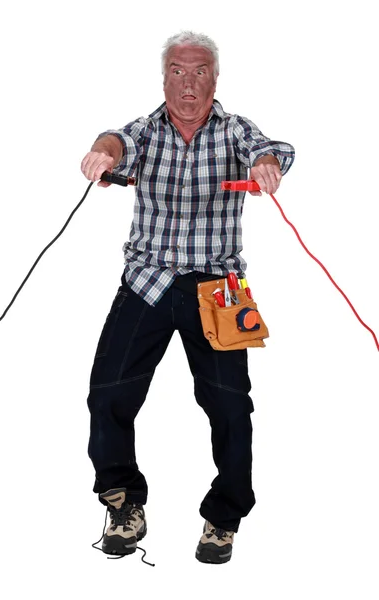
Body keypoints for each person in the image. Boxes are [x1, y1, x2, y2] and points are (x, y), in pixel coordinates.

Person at [81, 30, 295, 565]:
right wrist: (101, 154)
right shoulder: (148, 131)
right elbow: (116, 141)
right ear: (164, 78)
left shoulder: (235, 130)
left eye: (200, 71)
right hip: (146, 282)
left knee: (230, 407)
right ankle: (123, 503)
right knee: (108, 394)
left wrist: (267, 166)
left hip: (218, 289)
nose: (188, 83)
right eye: (177, 71)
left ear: (215, 78)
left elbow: (268, 150)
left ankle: (223, 518)